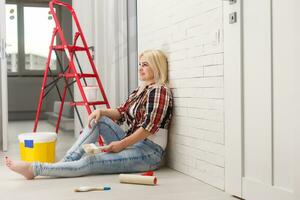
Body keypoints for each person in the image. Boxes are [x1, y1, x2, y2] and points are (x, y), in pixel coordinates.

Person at [5, 49, 173, 179]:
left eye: (145, 64)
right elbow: (121, 112)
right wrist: (101, 111)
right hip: (134, 142)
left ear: (157, 67)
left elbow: (147, 129)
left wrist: (120, 145)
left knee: (91, 161)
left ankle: (35, 169)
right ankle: (65, 164)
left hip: (149, 152)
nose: (140, 68)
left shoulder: (160, 91)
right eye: (140, 64)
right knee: (99, 121)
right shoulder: (141, 89)